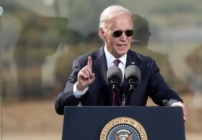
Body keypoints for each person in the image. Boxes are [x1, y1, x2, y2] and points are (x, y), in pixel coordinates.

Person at [55, 4, 188, 121]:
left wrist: (176, 105)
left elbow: (166, 96)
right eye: (117, 33)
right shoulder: (84, 64)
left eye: (128, 32)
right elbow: (61, 107)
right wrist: (79, 87)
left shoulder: (146, 65)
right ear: (102, 33)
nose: (124, 39)